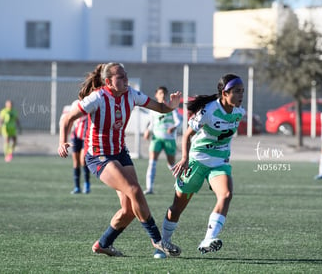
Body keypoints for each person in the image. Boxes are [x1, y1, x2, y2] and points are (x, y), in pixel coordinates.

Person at [58, 62, 181, 257]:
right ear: (108, 81)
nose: (126, 80)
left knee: (130, 209)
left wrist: (171, 106)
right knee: (134, 190)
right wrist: (63, 141)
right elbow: (67, 119)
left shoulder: (131, 94)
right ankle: (158, 241)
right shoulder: (97, 97)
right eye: (121, 77)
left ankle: (103, 244)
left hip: (120, 152)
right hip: (99, 156)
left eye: (126, 76)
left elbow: (159, 107)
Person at [155, 73, 245, 259]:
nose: (241, 95)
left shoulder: (239, 112)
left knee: (226, 195)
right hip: (197, 160)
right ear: (225, 92)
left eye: (242, 91)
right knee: (177, 207)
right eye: (237, 91)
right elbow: (187, 135)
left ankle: (208, 239)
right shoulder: (209, 110)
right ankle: (162, 244)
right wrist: (185, 158)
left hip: (219, 162)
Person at [143, 86, 181, 195]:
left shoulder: (171, 107)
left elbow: (178, 121)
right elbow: (151, 123)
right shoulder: (154, 109)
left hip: (169, 139)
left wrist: (174, 127)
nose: (162, 95)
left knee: (172, 165)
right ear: (156, 95)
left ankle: (182, 185)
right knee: (152, 163)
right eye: (160, 93)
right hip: (156, 139)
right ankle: (149, 188)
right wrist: (147, 131)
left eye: (164, 93)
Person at [60, 100, 91, 194]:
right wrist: (66, 135)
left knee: (83, 160)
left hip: (86, 137)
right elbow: (69, 120)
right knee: (76, 161)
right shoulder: (75, 104)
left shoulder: (91, 102)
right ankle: (77, 187)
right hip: (75, 137)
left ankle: (87, 184)